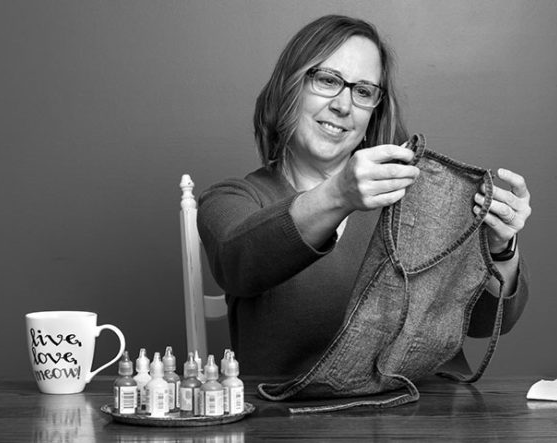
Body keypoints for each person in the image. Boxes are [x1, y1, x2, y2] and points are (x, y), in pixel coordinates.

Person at [197, 15, 531, 376]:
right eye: (327, 80)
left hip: (426, 415)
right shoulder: (231, 199)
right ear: (288, 87)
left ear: (374, 110)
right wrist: (338, 195)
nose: (344, 105)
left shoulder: (414, 201)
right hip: (299, 420)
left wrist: (501, 250)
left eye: (363, 91)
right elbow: (238, 261)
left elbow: (483, 324)